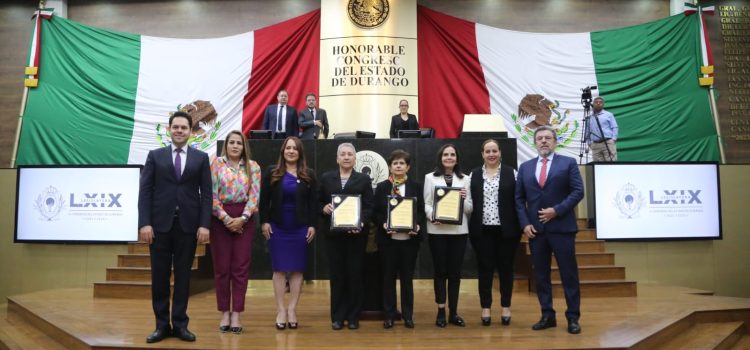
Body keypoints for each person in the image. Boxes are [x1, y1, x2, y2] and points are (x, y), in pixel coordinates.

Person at [138, 111, 211, 343]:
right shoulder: (155, 156)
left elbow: (207, 195)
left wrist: (204, 225)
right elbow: (145, 192)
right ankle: (161, 326)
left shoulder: (200, 158)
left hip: (188, 227)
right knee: (159, 278)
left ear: (191, 132)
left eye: (184, 128)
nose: (180, 131)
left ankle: (180, 324)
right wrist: (145, 223)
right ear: (169, 130)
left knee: (183, 278)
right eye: (176, 127)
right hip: (159, 226)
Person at [515, 126, 585, 335]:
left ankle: (573, 317)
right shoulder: (525, 167)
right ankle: (547, 315)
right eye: (539, 138)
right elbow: (519, 199)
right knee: (542, 276)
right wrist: (525, 224)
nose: (543, 141)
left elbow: (578, 191)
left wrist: (557, 210)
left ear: (555, 142)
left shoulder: (568, 163)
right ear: (534, 143)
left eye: (547, 138)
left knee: (568, 275)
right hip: (536, 232)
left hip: (562, 228)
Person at [259, 136, 317, 330]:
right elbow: (263, 200)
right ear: (283, 151)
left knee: (298, 269)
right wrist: (264, 222)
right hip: (277, 227)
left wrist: (312, 225)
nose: (291, 151)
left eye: (295, 148)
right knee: (279, 269)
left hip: (300, 227)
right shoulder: (272, 172)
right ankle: (281, 310)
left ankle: (292, 309)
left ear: (300, 152)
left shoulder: (309, 174)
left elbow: (313, 203)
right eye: (288, 148)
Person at [209, 130, 261, 334]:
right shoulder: (215, 164)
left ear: (243, 146)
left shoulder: (253, 167)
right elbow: (211, 195)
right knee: (222, 268)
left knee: (240, 267)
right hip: (220, 218)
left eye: (239, 143)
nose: (235, 146)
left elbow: (254, 196)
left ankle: (237, 312)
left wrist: (243, 219)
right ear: (226, 145)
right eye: (231, 142)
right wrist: (226, 218)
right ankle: (224, 312)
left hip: (245, 218)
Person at [318, 143, 373, 330]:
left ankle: (353, 316)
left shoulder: (364, 179)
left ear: (355, 158)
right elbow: (317, 202)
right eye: (343, 154)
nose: (347, 157)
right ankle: (337, 317)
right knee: (337, 276)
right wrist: (323, 208)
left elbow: (369, 207)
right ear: (337, 158)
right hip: (333, 237)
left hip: (356, 236)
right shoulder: (326, 178)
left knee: (354, 275)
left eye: (350, 154)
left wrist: (361, 222)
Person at [468, 139, 521, 326]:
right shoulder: (473, 175)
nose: (491, 154)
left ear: (500, 153)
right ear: (482, 154)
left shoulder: (511, 173)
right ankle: (486, 308)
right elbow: (468, 203)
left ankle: (506, 306)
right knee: (485, 270)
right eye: (487, 151)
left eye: (494, 151)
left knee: (506, 270)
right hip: (481, 231)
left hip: (507, 231)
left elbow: (518, 201)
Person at [373, 149, 424, 329]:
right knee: (388, 279)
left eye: (402, 163)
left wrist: (416, 224)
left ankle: (408, 315)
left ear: (408, 167)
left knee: (407, 280)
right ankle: (389, 315)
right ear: (390, 166)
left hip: (409, 242)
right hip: (388, 241)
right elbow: (376, 213)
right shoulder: (382, 187)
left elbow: (420, 211)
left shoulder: (416, 187)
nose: (398, 166)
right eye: (395, 163)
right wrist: (383, 224)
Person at [424, 144, 473, 327]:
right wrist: (432, 216)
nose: (449, 157)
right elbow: (427, 204)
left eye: (452, 154)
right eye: (446, 154)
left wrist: (463, 199)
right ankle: (441, 311)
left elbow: (469, 209)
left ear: (457, 158)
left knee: (455, 273)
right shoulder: (430, 177)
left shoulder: (466, 179)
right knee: (440, 272)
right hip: (437, 231)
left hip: (459, 232)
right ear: (440, 158)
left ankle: (454, 312)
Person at [587, 96, 618, 162]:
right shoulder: (589, 117)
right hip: (595, 145)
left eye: (600, 102)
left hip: (608, 142)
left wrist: (613, 139)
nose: (598, 103)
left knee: (611, 164)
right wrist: (589, 143)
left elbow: (614, 127)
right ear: (593, 104)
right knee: (598, 166)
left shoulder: (609, 115)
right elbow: (587, 131)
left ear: (603, 104)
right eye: (596, 102)